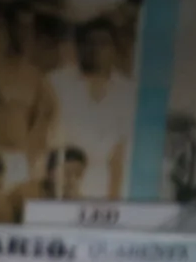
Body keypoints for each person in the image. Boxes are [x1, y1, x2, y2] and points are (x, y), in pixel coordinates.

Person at [44, 17, 132, 200]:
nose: (96, 49)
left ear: (114, 49)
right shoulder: (58, 82)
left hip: (102, 184)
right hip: (62, 179)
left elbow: (119, 155)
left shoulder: (127, 92)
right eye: (90, 43)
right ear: (80, 46)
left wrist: (113, 200)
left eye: (103, 43)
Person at [0, 6, 55, 188]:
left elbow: (49, 113)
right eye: (19, 27)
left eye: (27, 29)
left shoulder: (36, 77)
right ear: (10, 29)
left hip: (19, 158)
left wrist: (33, 148)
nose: (22, 34)